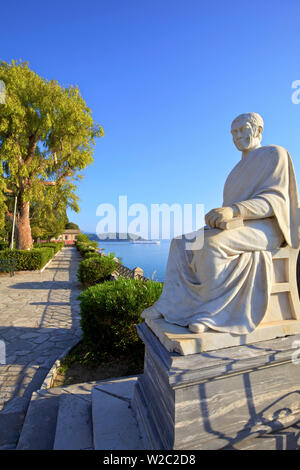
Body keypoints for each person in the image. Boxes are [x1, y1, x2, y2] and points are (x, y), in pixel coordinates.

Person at [142, 113, 300, 334]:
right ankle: (171, 306)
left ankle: (213, 313)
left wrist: (234, 210)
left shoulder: (275, 155)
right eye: (233, 132)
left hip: (268, 227)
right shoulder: (235, 172)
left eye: (242, 129)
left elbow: (275, 200)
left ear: (258, 130)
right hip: (241, 225)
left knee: (211, 244)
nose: (237, 136)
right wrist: (218, 217)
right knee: (181, 243)